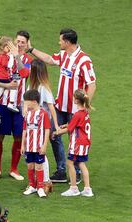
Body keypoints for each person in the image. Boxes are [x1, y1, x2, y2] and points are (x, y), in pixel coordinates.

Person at [27, 28, 97, 183]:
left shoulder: (84, 60)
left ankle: (77, 172)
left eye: (60, 40)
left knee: (75, 140)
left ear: (67, 42)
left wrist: (84, 107)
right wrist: (31, 50)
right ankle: (61, 170)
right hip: (60, 106)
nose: (58, 42)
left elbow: (92, 85)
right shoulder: (65, 55)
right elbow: (49, 59)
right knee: (52, 134)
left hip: (75, 110)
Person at [0, 30, 33, 181]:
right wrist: (4, 86)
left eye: (22, 42)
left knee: (18, 137)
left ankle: (14, 169)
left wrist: (17, 57)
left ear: (27, 44)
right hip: (2, 104)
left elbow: (24, 73)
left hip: (19, 105)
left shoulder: (27, 59)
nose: (19, 44)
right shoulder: (1, 57)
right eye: (17, 41)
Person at [27, 59, 60, 194]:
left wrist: (56, 125)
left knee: (41, 152)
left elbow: (51, 107)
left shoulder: (43, 88)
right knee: (35, 153)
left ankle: (46, 182)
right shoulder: (32, 86)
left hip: (42, 125)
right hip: (32, 125)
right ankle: (38, 182)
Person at [54, 89, 94, 197]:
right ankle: (87, 188)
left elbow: (70, 129)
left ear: (76, 100)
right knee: (81, 164)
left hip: (78, 143)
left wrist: (56, 132)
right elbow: (76, 124)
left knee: (70, 163)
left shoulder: (77, 114)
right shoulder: (85, 112)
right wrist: (66, 124)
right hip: (85, 143)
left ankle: (73, 188)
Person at [21, 89, 51, 198]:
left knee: (39, 167)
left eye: (26, 101)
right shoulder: (27, 114)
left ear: (33, 102)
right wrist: (22, 145)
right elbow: (24, 130)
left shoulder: (43, 114)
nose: (25, 104)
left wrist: (44, 145)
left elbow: (47, 130)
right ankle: (32, 186)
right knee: (30, 166)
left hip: (38, 147)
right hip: (29, 147)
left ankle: (40, 187)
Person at [0, 36, 19, 118]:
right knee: (14, 86)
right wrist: (12, 56)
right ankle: (11, 103)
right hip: (5, 77)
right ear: (2, 47)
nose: (10, 49)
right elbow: (9, 66)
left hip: (0, 76)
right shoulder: (5, 56)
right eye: (8, 47)